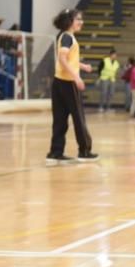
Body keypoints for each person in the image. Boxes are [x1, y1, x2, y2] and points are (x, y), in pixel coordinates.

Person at [46, 9, 98, 164]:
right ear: (69, 21)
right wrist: (76, 77)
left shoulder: (63, 36)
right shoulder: (68, 37)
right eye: (78, 19)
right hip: (68, 83)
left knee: (60, 119)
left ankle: (55, 152)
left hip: (58, 82)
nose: (81, 22)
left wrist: (82, 66)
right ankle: (84, 151)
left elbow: (67, 59)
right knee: (78, 117)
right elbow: (62, 58)